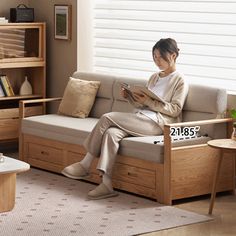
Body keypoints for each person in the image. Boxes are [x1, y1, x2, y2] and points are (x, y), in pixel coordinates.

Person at [61, 38, 189, 200]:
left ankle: (86, 163)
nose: (157, 61)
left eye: (160, 57)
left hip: (158, 124)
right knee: (111, 133)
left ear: (173, 56)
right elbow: (143, 104)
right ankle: (106, 184)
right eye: (154, 57)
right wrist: (130, 97)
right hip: (142, 118)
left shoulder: (180, 80)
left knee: (107, 118)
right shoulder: (154, 78)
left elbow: (175, 109)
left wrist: (148, 101)